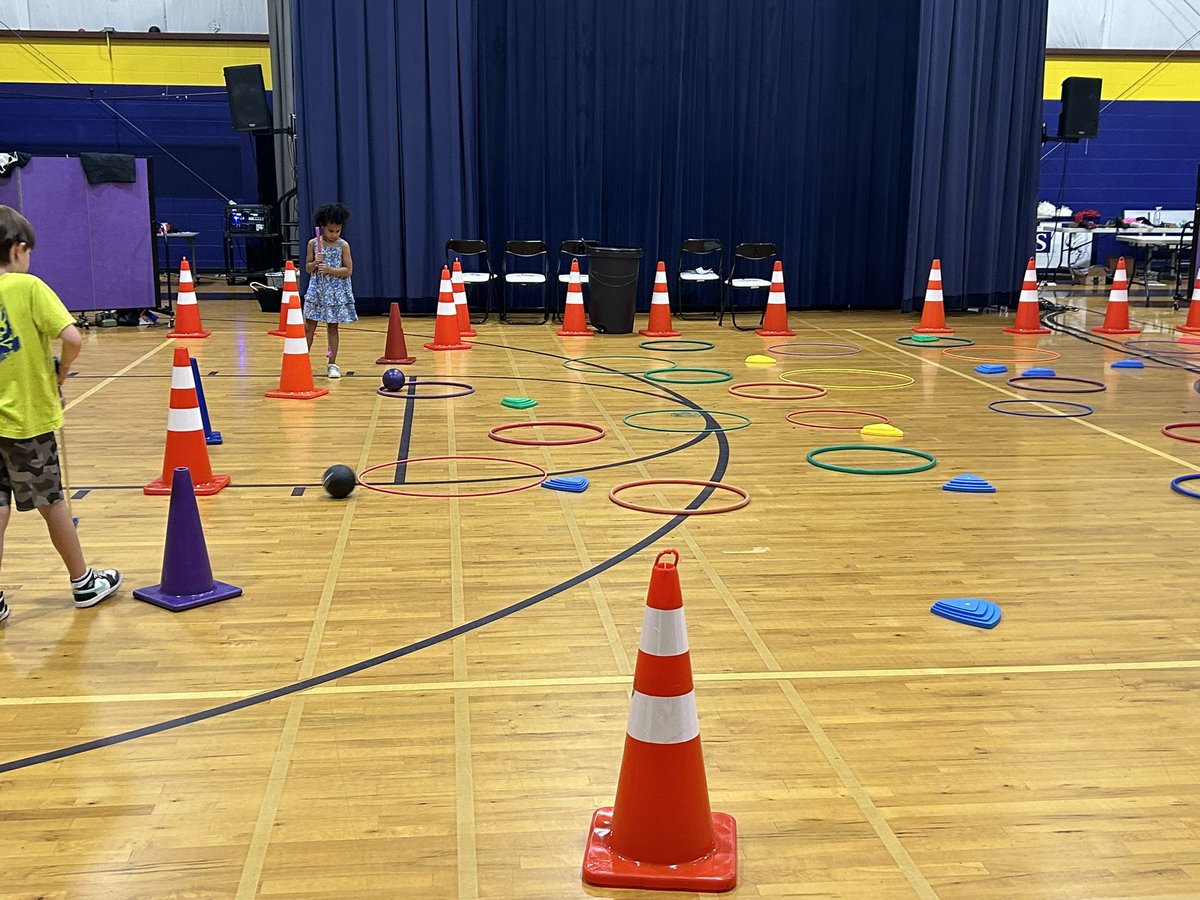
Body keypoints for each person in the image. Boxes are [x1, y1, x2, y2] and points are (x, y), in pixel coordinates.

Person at [0, 206, 121, 623]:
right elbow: (71, 337)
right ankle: (83, 581)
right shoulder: (29, 287)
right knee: (51, 501)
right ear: (18, 250)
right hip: (26, 421)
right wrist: (59, 373)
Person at [303, 202, 357, 378]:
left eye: (337, 231)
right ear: (323, 228)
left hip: (336, 291)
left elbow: (348, 270)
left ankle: (332, 364)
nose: (334, 234)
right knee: (309, 327)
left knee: (333, 328)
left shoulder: (343, 246)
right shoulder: (313, 244)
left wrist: (330, 270)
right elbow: (308, 269)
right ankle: (302, 361)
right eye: (331, 231)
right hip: (317, 290)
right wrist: (315, 263)